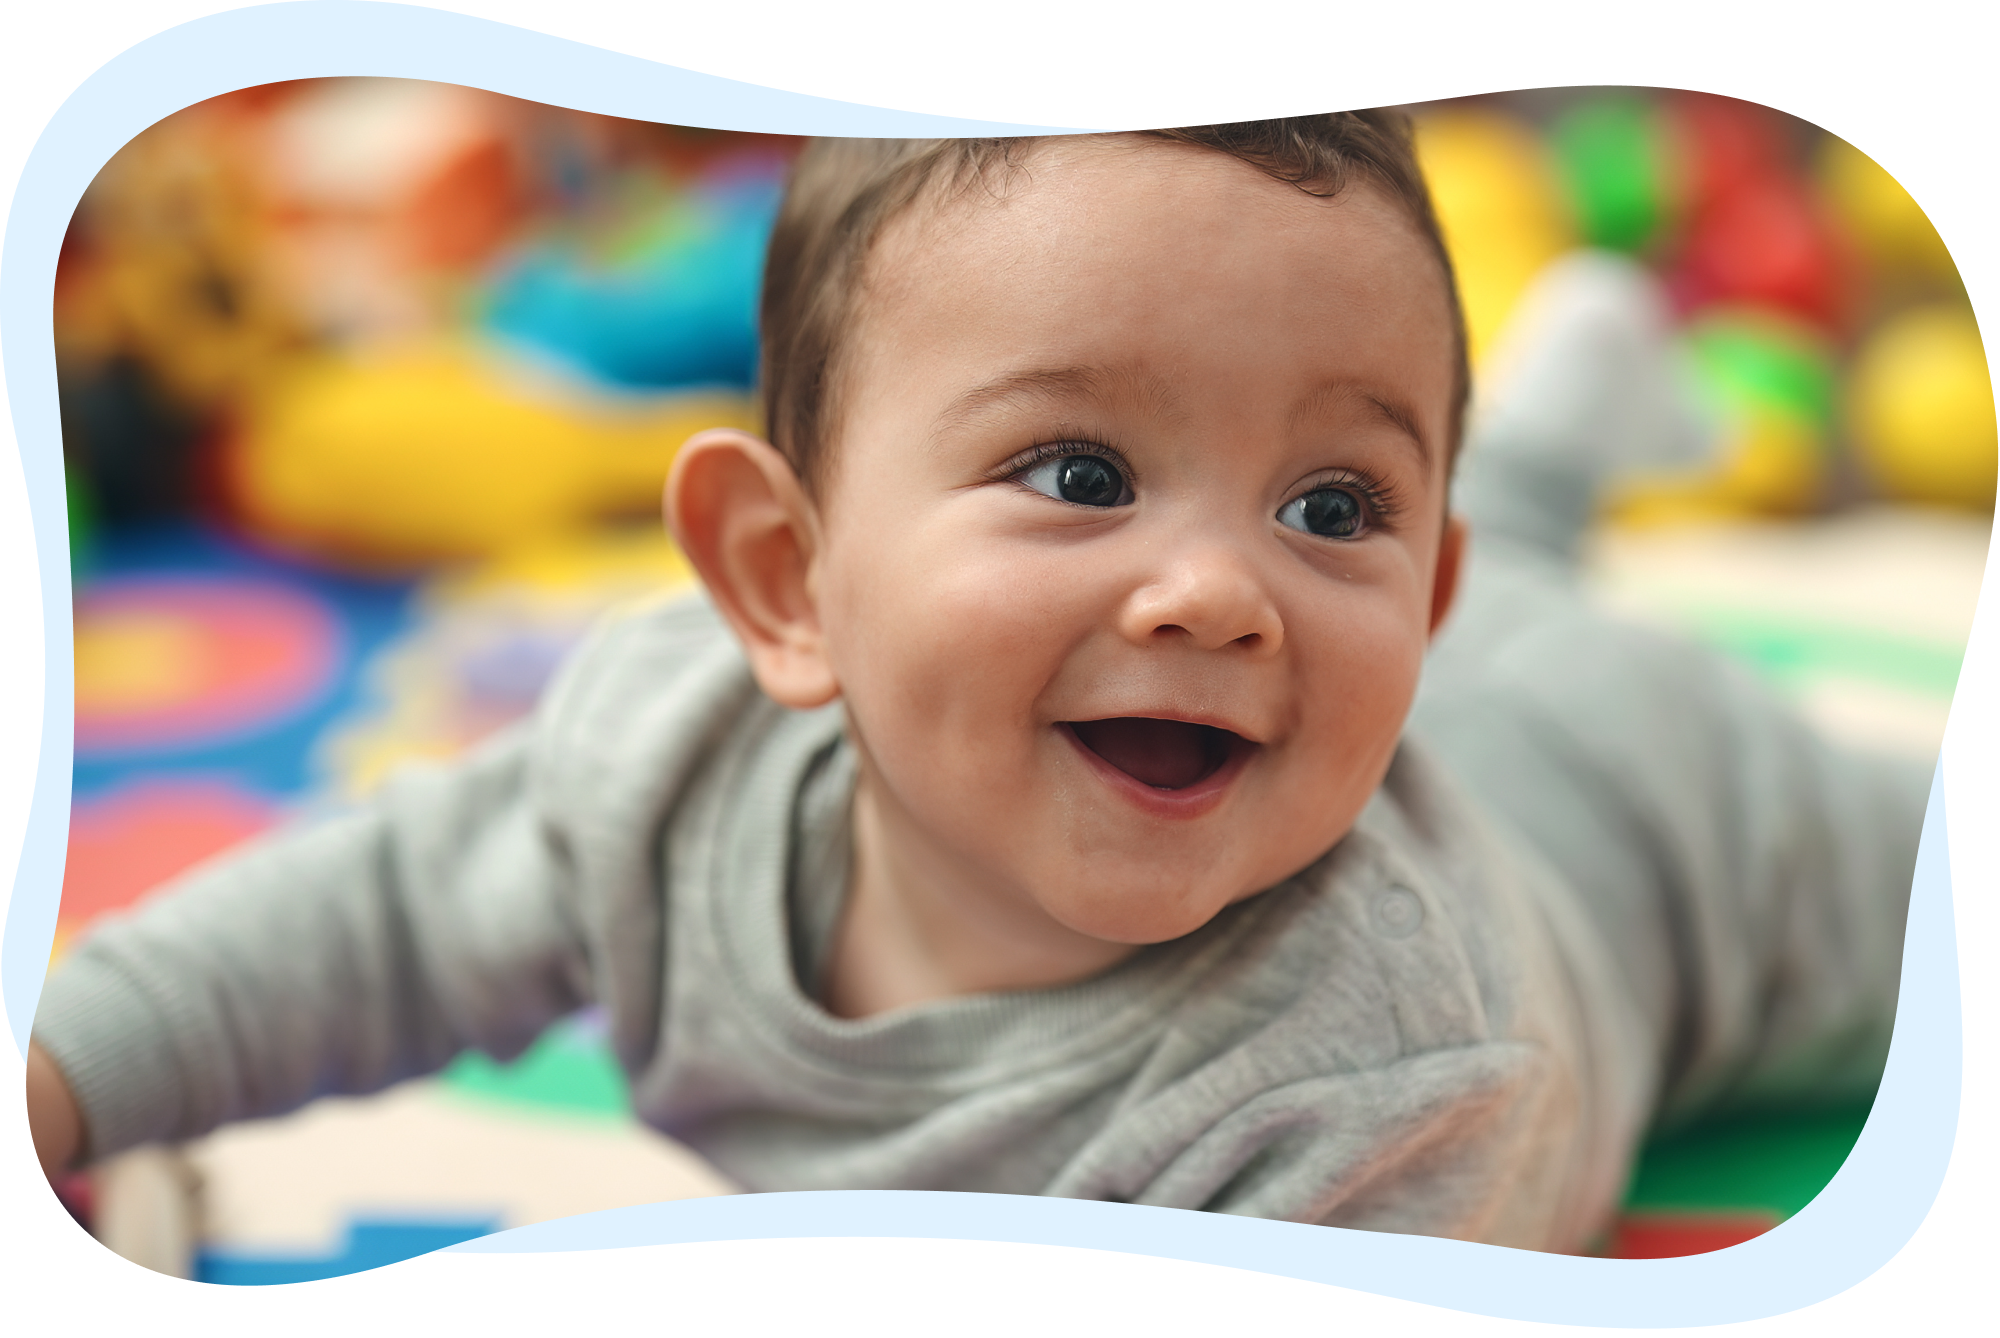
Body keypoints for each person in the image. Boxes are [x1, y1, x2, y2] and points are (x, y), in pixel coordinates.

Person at [27, 117, 1927, 1254]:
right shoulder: (659, 761)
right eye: (1081, 474)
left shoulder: (1383, 1063)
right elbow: (358, 925)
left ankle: (1531, 476)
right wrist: (75, 1068)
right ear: (786, 582)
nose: (1214, 592)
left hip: (1658, 830)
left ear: (1413, 607)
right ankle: (1546, 447)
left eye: (1331, 503)